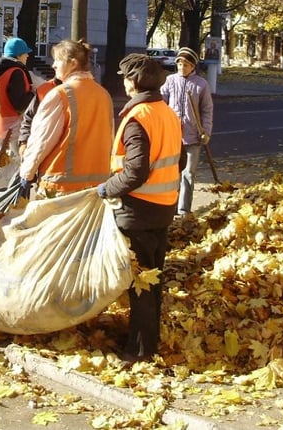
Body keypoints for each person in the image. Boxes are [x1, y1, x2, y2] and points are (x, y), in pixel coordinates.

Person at [97, 53, 182, 361]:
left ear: (133, 82)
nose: (123, 82)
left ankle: (141, 351)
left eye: (124, 77)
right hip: (163, 208)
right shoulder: (166, 113)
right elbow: (181, 160)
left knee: (141, 283)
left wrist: (107, 188)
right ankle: (146, 341)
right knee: (153, 280)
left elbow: (135, 172)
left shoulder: (138, 119)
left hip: (138, 211)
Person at [19, 39, 113, 198]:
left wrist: (26, 173)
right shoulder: (103, 95)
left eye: (57, 60)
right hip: (96, 186)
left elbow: (42, 140)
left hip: (60, 186)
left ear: (73, 63)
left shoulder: (60, 94)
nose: (53, 65)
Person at [160, 46, 214, 219]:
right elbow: (161, 104)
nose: (182, 68)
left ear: (193, 67)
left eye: (186, 65)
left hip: (193, 137)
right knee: (172, 173)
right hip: (173, 136)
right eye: (180, 64)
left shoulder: (201, 84)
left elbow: (207, 110)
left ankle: (184, 209)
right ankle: (170, 206)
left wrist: (205, 131)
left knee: (188, 174)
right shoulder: (169, 81)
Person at [0, 37, 35, 143]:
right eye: (25, 53)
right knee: (12, 159)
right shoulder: (16, 72)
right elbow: (20, 104)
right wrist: (34, 95)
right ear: (18, 55)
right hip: (12, 129)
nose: (27, 56)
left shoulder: (1, 71)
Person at [17, 76, 61, 159]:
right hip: (45, 152)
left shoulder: (85, 91)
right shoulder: (44, 89)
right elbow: (29, 117)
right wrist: (24, 141)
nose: (54, 65)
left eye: (58, 62)